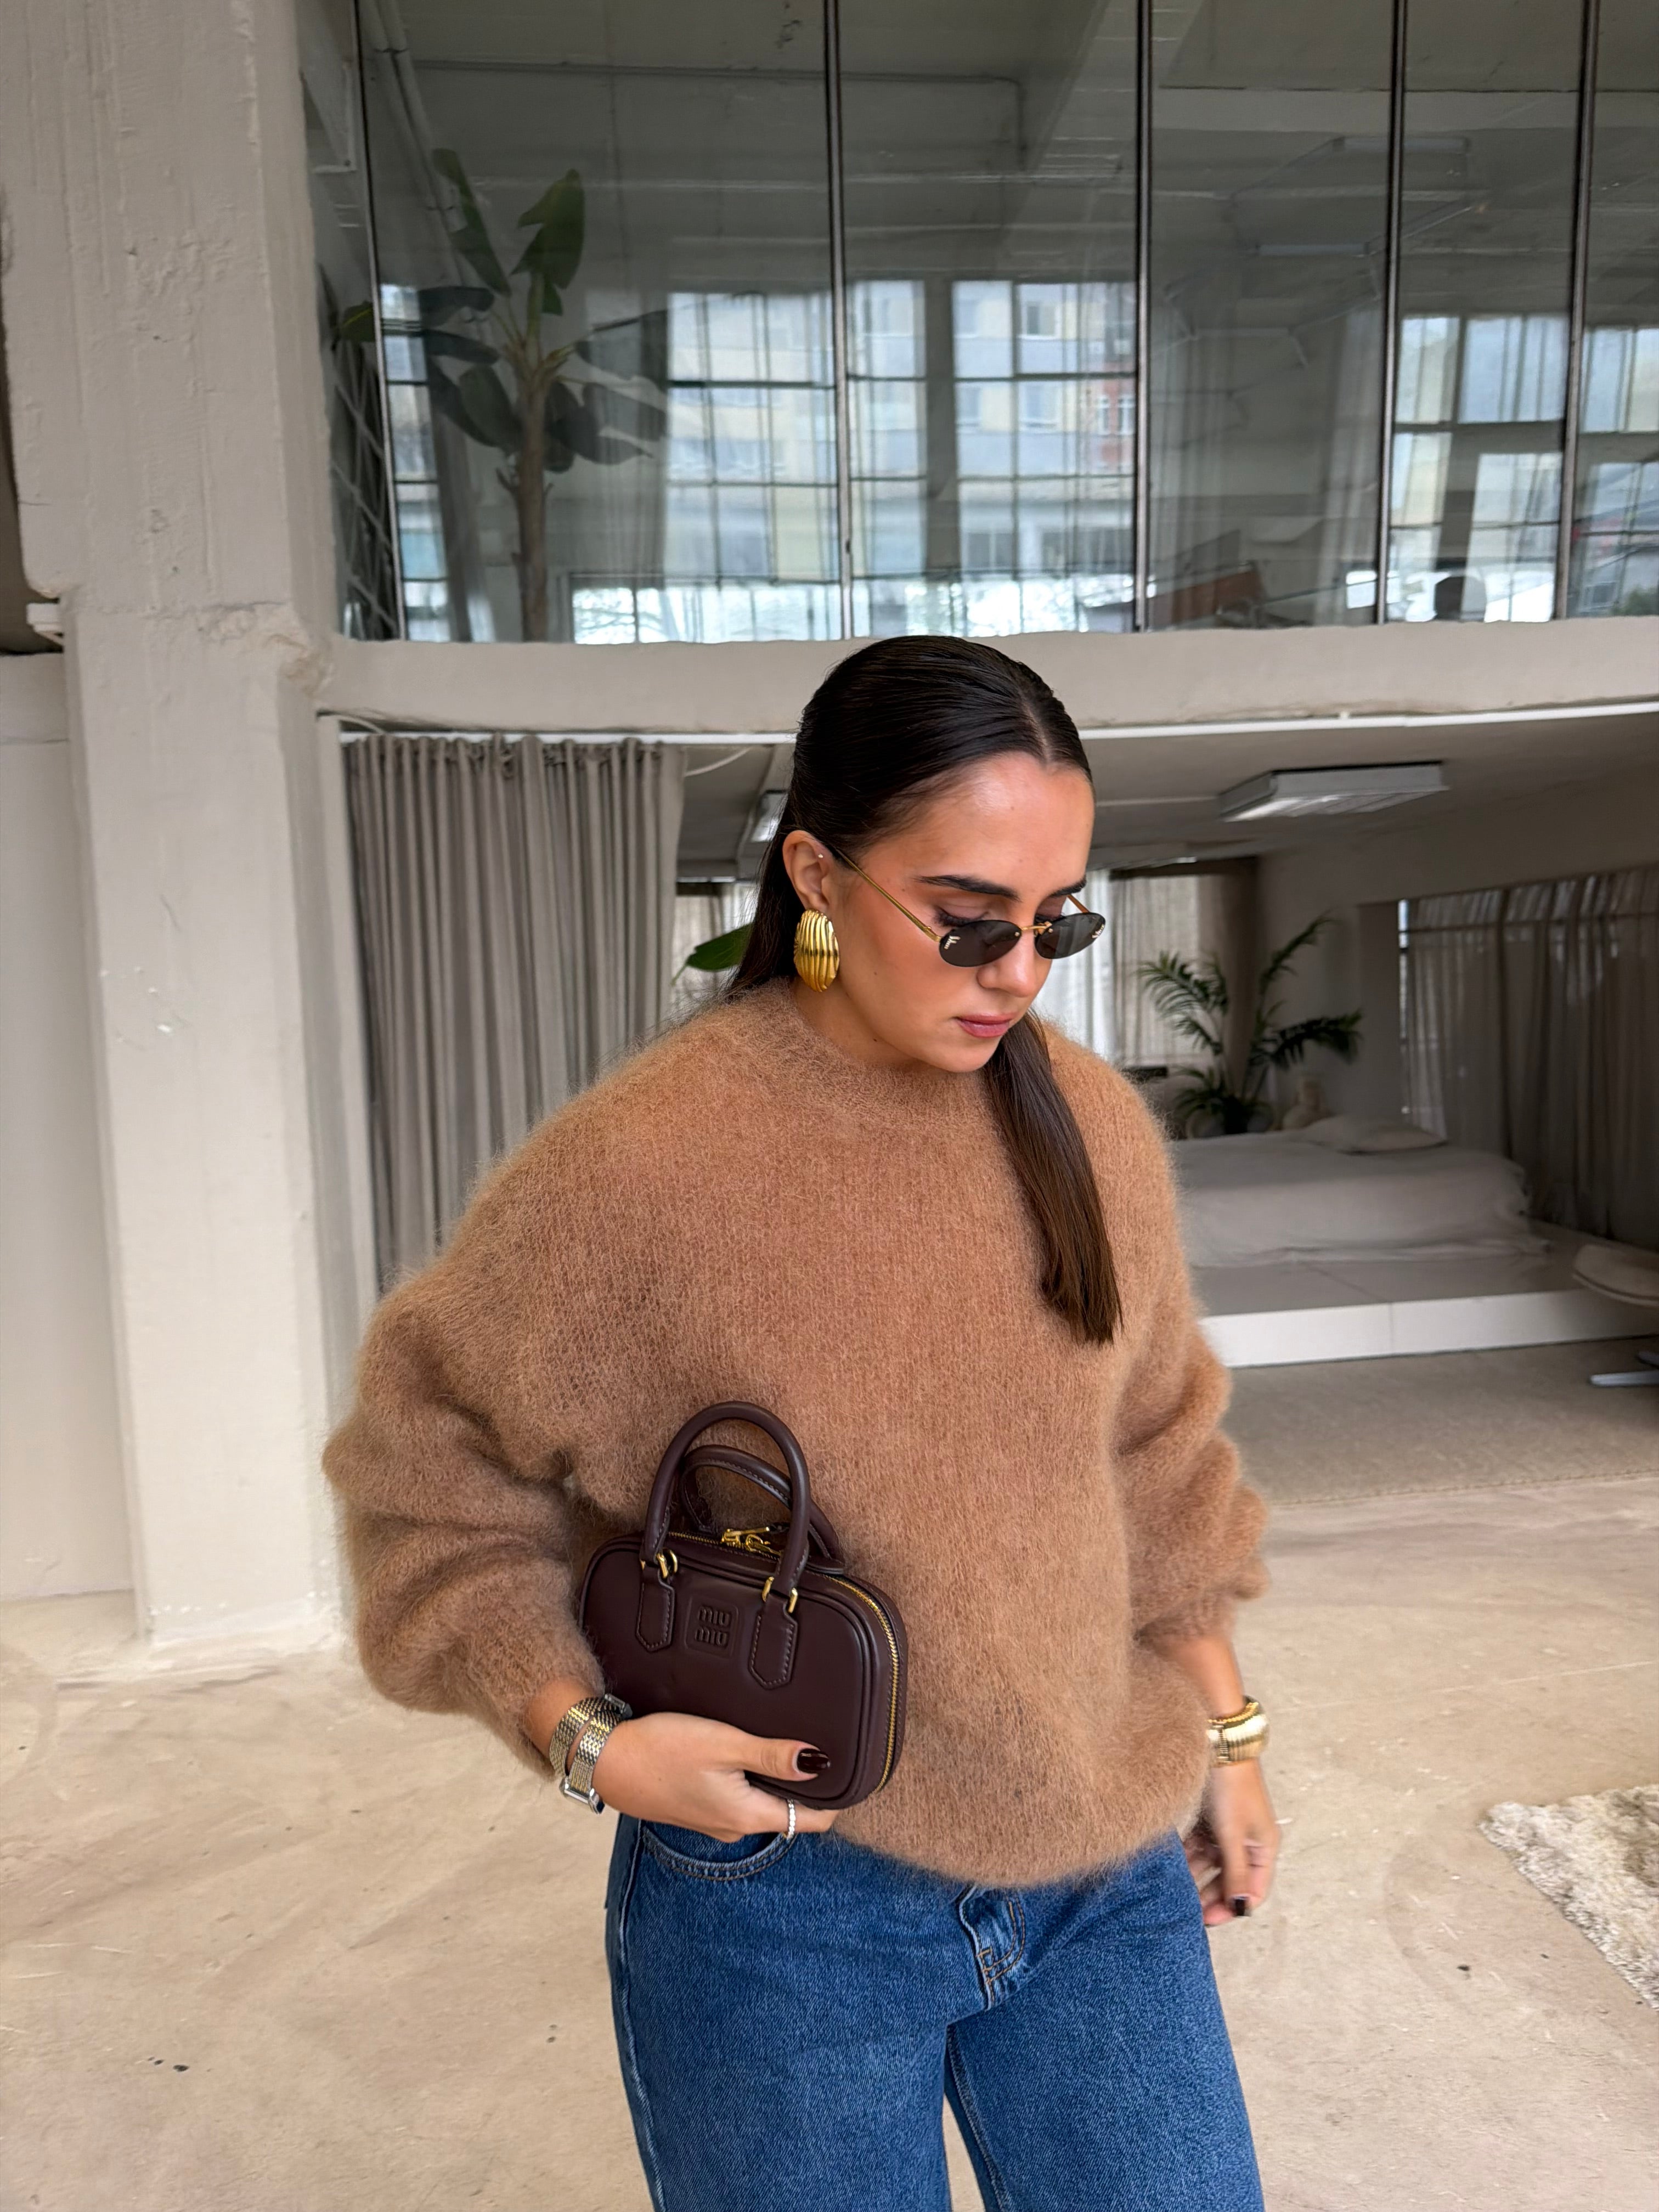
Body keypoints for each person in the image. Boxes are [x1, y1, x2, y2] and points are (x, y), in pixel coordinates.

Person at [324, 635, 1279, 2211]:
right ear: (819, 875)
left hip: (1101, 1864)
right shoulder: (634, 1173)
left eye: (1058, 920)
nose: (1021, 973)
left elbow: (1157, 1451)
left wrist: (1228, 1738)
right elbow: (425, 1483)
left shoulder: (1086, 1124)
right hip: (782, 1902)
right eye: (970, 918)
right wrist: (588, 1745)